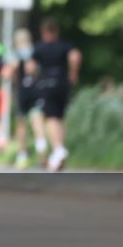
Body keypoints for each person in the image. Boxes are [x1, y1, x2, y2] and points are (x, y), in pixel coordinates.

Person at [32, 19, 82, 171]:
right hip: (62, 84)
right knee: (59, 118)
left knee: (50, 119)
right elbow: (75, 56)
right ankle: (58, 153)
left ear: (43, 32)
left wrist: (35, 77)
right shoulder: (65, 46)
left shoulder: (39, 48)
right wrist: (73, 73)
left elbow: (30, 67)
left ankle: (58, 149)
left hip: (47, 85)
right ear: (57, 32)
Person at [3, 28, 46, 169]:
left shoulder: (15, 55)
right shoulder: (35, 52)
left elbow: (7, 75)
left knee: (21, 125)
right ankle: (42, 153)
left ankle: (22, 155)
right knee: (37, 123)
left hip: (22, 92)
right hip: (37, 90)